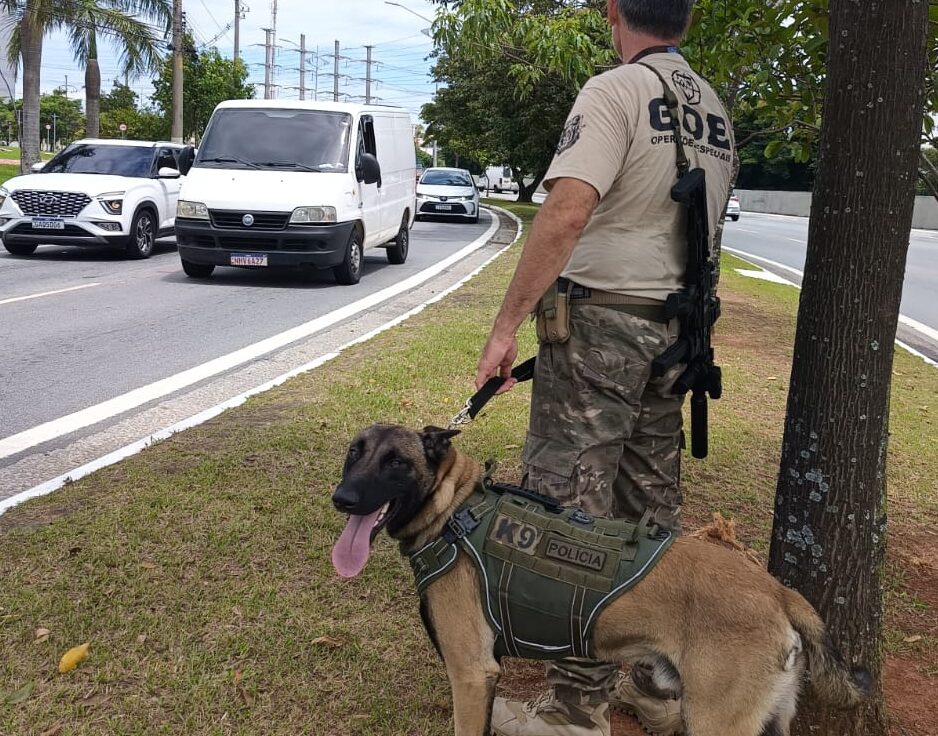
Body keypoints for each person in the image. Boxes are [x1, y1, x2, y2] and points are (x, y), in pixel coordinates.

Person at [474, 1, 735, 734]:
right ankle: (657, 681)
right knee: (651, 504)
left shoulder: (613, 89)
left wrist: (504, 329)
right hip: (675, 334)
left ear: (616, 12)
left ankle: (573, 705)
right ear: (682, 17)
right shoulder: (711, 109)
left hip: (598, 328)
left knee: (571, 512)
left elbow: (566, 211)